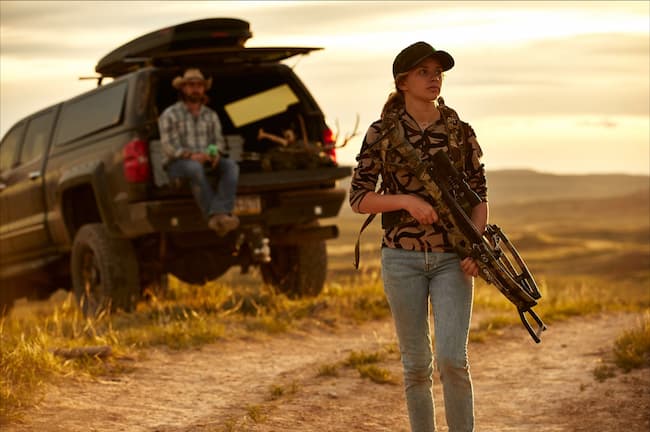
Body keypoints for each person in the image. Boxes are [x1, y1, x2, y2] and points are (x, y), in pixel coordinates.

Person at [349, 42, 488, 432]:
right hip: (401, 259)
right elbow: (359, 198)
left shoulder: (460, 131)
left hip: (452, 259)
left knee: (451, 359)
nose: (434, 78)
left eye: (437, 71)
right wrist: (406, 201)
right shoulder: (382, 133)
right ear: (403, 82)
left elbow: (480, 198)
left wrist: (477, 246)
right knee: (415, 367)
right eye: (423, 72)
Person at [159, 68, 240, 236]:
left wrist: (214, 153)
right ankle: (216, 216)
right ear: (183, 88)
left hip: (206, 160)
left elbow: (218, 141)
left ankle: (220, 211)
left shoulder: (211, 115)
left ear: (204, 88)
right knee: (194, 168)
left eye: (199, 85)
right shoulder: (170, 114)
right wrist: (191, 156)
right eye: (191, 85)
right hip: (178, 164)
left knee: (231, 166)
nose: (195, 89)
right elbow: (169, 146)